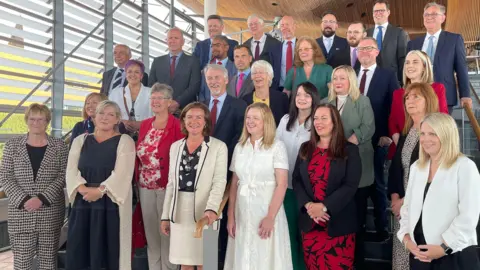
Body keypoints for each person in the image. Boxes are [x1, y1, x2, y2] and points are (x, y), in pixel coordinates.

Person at [398, 113, 480, 270]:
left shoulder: (465, 167)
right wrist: (406, 239)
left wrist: (444, 248)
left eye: (432, 134)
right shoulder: (417, 167)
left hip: (454, 255)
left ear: (446, 135)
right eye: (422, 134)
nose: (425, 139)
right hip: (420, 255)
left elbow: (468, 217)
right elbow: (407, 208)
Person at [66, 100, 136, 270]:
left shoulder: (125, 141)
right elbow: (71, 169)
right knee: (79, 249)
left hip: (110, 203)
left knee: (109, 250)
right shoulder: (80, 141)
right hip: (83, 203)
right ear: (94, 117)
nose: (105, 118)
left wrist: (100, 190)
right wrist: (83, 189)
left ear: (117, 119)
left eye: (110, 114)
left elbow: (123, 173)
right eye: (101, 113)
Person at [292, 103, 361, 270]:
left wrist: (324, 207)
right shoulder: (305, 148)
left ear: (334, 122)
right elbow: (297, 180)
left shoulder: (349, 150)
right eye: (316, 118)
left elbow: (350, 185)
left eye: (324, 118)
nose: (318, 122)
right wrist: (309, 206)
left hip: (338, 226)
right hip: (311, 225)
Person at [224, 102, 292, 270]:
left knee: (265, 255)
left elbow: (282, 184)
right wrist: (231, 216)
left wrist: (270, 217)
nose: (250, 121)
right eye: (248, 117)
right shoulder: (240, 147)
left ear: (266, 121)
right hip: (242, 211)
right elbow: (234, 183)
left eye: (255, 118)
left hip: (266, 210)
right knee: (242, 254)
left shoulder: (277, 147)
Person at [0, 103, 68, 270]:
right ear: (26, 120)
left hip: (50, 213)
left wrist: (42, 199)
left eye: (40, 119)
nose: (36, 123)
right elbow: (6, 176)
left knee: (48, 262)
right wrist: (25, 200)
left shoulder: (59, 146)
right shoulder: (12, 145)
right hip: (21, 212)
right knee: (22, 263)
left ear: (47, 121)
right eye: (32, 118)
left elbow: (64, 175)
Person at [160, 102, 228, 270]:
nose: (194, 121)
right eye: (189, 117)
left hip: (207, 211)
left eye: (199, 117)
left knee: (208, 262)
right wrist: (165, 216)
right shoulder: (175, 147)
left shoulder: (219, 147)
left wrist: (212, 208)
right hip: (179, 211)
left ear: (206, 121)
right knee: (185, 263)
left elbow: (220, 181)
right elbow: (171, 184)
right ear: (183, 120)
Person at [326, 65, 375, 269]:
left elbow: (368, 127)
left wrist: (345, 145)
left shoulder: (362, 101)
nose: (338, 82)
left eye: (343, 78)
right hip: (332, 171)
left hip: (357, 167)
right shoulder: (325, 103)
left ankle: (357, 262)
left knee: (357, 219)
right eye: (335, 78)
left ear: (351, 81)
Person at [389, 82, 440, 270]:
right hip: (403, 212)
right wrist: (395, 197)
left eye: (416, 97)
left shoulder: (436, 133)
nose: (409, 101)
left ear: (429, 100)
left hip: (424, 211)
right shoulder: (408, 131)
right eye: (407, 98)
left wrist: (404, 200)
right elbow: (396, 169)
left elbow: (435, 175)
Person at [202, 63, 247, 267]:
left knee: (224, 222)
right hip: (202, 176)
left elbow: (240, 138)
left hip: (228, 174)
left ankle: (222, 264)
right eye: (210, 78)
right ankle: (209, 263)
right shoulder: (200, 106)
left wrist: (221, 161)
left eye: (217, 78)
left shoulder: (239, 106)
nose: (213, 82)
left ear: (227, 79)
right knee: (207, 220)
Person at [135, 83, 184, 270]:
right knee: (152, 236)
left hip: (167, 187)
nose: (155, 101)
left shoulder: (177, 126)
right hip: (145, 187)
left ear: (169, 102)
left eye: (159, 98)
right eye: (153, 98)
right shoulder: (146, 124)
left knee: (168, 234)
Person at [356, 37, 399, 243]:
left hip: (377, 140)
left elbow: (394, 107)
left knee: (377, 186)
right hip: (353, 142)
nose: (364, 51)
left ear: (377, 51)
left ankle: (382, 227)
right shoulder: (349, 75)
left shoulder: (387, 75)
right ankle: (359, 227)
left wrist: (389, 136)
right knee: (357, 186)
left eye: (368, 48)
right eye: (360, 48)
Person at [276, 82, 320, 270]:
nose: (301, 99)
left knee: (305, 235)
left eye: (307, 95)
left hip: (306, 189)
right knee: (287, 234)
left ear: (314, 99)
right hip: (284, 187)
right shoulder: (286, 120)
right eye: (299, 94)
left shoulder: (318, 123)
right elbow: (275, 149)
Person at [407, 2, 471, 112]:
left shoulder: (454, 40)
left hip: (444, 97)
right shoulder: (413, 44)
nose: (429, 17)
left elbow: (461, 69)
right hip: (418, 96)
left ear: (443, 18)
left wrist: (465, 94)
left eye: (434, 14)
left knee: (440, 129)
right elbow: (408, 71)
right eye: (426, 15)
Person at [388, 50, 449, 159]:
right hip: (402, 147)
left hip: (429, 148)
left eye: (415, 62)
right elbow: (393, 121)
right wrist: (401, 143)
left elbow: (443, 117)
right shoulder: (398, 94)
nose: (410, 65)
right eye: (407, 62)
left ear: (424, 67)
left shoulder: (437, 89)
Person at [148, 27, 201, 113]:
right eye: (170, 38)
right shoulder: (157, 61)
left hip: (185, 110)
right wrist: (164, 102)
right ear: (166, 41)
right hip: (162, 109)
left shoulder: (193, 61)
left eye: (176, 38)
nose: (173, 41)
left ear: (183, 42)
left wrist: (177, 102)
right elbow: (151, 84)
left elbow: (194, 86)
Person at [109, 59, 153, 140]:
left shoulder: (151, 93)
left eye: (136, 72)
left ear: (141, 76)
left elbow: (159, 115)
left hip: (147, 136)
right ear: (125, 74)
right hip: (120, 136)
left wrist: (142, 124)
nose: (133, 74)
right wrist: (122, 122)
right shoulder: (116, 93)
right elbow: (108, 113)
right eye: (129, 71)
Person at [367, 0, 409, 83]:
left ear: (388, 12)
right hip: (369, 79)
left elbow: (403, 59)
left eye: (381, 10)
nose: (378, 13)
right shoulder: (366, 33)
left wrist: (401, 81)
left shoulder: (399, 33)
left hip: (392, 80)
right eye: (375, 11)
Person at [242, 60, 289, 126]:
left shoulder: (281, 98)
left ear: (270, 76)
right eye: (254, 73)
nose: (257, 75)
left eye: (261, 72)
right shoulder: (245, 100)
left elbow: (287, 124)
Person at [199, 35, 237, 102]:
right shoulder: (206, 69)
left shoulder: (235, 68)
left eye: (217, 45)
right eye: (212, 46)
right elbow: (201, 91)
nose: (214, 48)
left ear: (226, 48)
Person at [268, 16, 298, 91]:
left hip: (298, 88)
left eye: (287, 24)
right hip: (279, 89)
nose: (284, 28)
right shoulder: (274, 48)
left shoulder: (302, 46)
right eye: (282, 25)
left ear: (294, 26)